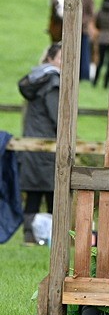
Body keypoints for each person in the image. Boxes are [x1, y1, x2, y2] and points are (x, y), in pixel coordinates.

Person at [17, 44, 62, 246]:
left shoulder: (37, 77)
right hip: (49, 143)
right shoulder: (53, 81)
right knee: (54, 191)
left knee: (34, 191)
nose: (64, 61)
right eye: (61, 57)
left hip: (32, 143)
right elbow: (58, 116)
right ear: (51, 58)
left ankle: (30, 237)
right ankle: (56, 238)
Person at [92, 0, 109, 88]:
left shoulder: (100, 11)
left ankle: (95, 82)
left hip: (101, 39)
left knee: (100, 62)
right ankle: (106, 84)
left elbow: (97, 24)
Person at [79, 0, 96, 82]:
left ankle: (84, 74)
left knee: (84, 52)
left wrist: (83, 21)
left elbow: (91, 14)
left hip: (84, 30)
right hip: (73, 31)